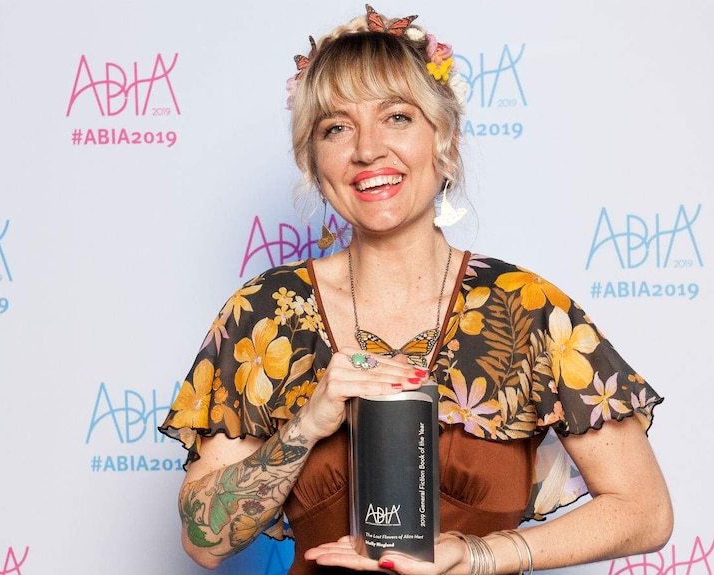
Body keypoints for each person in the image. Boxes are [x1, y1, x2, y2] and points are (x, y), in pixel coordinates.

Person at [159, 5, 673, 575]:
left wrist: (481, 554)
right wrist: (307, 423)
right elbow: (203, 543)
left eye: (397, 118)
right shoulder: (266, 316)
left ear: (444, 139)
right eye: (336, 127)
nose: (367, 149)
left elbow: (644, 511)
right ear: (312, 160)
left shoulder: (527, 310)